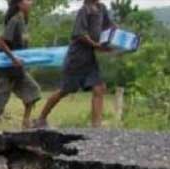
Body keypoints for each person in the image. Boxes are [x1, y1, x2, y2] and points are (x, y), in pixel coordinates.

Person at [36, 0, 114, 128]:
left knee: (99, 88)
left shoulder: (101, 8)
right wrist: (97, 45)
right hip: (76, 58)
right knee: (65, 90)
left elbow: (109, 26)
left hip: (90, 58)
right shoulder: (84, 10)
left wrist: (118, 40)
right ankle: (41, 118)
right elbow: (80, 35)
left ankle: (96, 126)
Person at [0, 0, 41, 133]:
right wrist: (13, 58)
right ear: (20, 4)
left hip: (18, 70)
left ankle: (25, 123)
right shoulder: (15, 20)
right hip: (5, 71)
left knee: (33, 92)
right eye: (27, 0)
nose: (31, 3)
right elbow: (1, 42)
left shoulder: (24, 22)